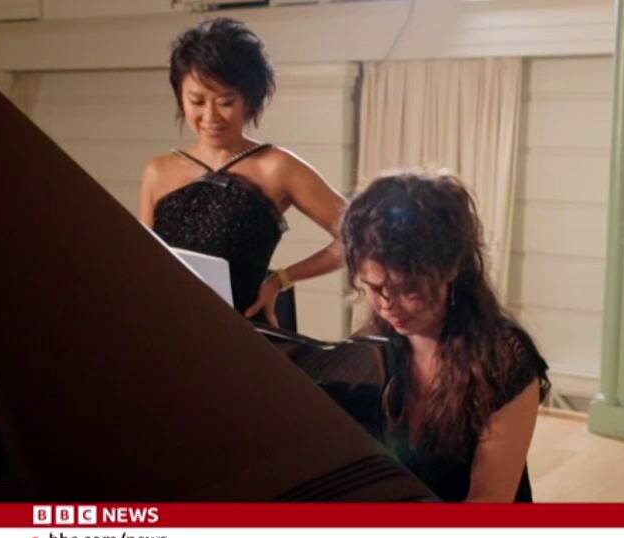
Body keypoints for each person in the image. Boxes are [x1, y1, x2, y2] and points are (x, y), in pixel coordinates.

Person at [340, 173, 550, 502]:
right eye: (373, 287)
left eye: (408, 288)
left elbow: (488, 503)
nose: (387, 304)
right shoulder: (367, 352)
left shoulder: (503, 361)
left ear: (452, 267)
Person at [139, 18, 345, 327]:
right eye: (196, 101)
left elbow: (360, 239)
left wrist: (281, 280)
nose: (210, 116)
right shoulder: (158, 172)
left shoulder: (276, 166)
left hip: (242, 335)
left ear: (250, 99)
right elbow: (143, 266)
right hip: (166, 331)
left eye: (225, 102)